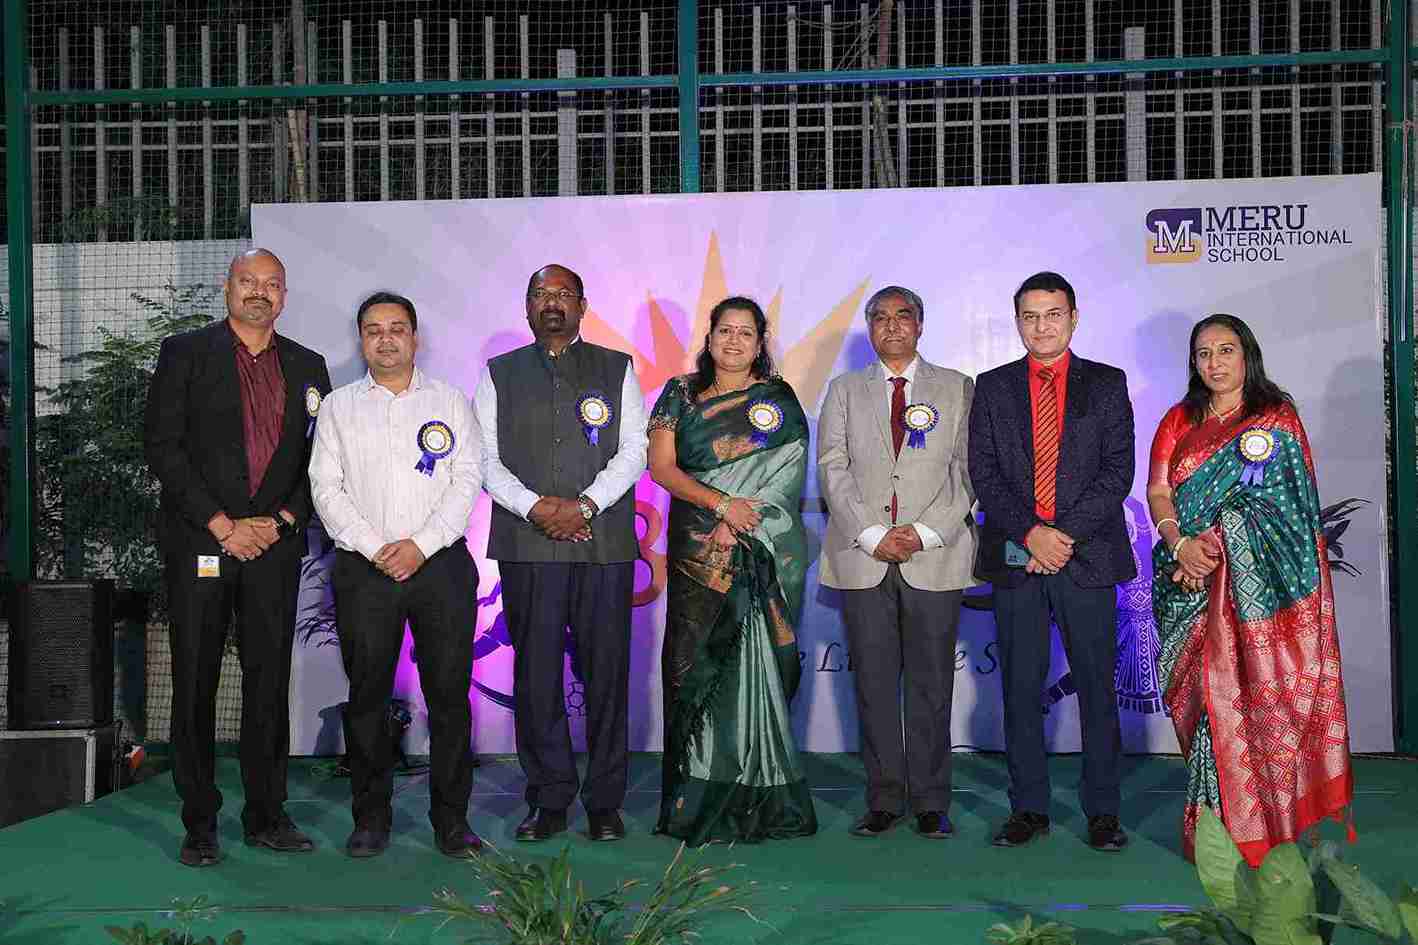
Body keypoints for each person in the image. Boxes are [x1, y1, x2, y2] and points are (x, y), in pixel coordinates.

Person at [144, 248, 331, 867]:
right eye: (248, 281)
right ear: (228, 289)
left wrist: (279, 522)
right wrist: (223, 525)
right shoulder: (185, 353)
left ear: (284, 295)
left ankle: (267, 815)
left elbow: (322, 461)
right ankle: (199, 822)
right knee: (195, 679)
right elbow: (163, 448)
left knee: (268, 681)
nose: (259, 292)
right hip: (203, 542)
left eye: (271, 284)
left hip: (274, 547)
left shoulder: (308, 365)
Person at [1146, 313, 1353, 866]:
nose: (1214, 363)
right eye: (1203, 353)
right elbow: (1159, 490)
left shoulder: (1276, 419)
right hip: (1182, 581)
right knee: (1202, 705)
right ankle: (1212, 827)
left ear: (1247, 355)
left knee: (1245, 698)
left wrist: (1215, 545)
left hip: (1250, 592)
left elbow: (1291, 513)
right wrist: (1179, 545)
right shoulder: (1179, 419)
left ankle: (1258, 827)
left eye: (1225, 350)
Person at [474, 264, 648, 842]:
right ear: (527, 306)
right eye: (541, 294)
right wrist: (535, 508)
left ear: (582, 306)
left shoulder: (617, 368)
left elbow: (635, 449)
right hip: (528, 544)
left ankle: (605, 803)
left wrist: (586, 506)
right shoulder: (498, 374)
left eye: (564, 294)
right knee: (536, 676)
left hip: (603, 544)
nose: (552, 302)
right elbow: (484, 457)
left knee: (607, 676)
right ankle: (548, 799)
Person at [309, 291, 484, 859]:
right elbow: (325, 488)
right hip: (365, 570)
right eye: (374, 330)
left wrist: (421, 546)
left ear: (415, 337)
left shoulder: (450, 401)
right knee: (367, 698)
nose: (386, 339)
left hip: (441, 568)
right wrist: (376, 548)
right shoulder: (337, 407)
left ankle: (452, 822)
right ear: (362, 340)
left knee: (449, 697)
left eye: (397, 328)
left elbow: (467, 479)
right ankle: (370, 818)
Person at [968, 271, 1135, 852]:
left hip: (1087, 555)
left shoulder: (1107, 383)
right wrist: (1032, 534)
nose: (1042, 326)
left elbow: (1118, 470)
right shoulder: (992, 387)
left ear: (1074, 317)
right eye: (1031, 316)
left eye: (1053, 314)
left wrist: (1060, 536)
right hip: (1017, 556)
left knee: (1097, 688)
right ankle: (1028, 809)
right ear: (1018, 322)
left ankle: (1103, 813)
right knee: (1019, 687)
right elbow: (984, 472)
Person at [647, 296, 817, 845]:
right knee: (693, 667)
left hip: (758, 548)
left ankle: (759, 796)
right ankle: (692, 800)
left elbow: (788, 473)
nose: (734, 341)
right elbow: (661, 467)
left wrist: (746, 520)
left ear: (760, 342)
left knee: (757, 667)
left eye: (746, 333)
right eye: (725, 330)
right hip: (698, 551)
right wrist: (722, 506)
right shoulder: (680, 393)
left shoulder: (778, 401)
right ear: (710, 337)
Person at [817, 286, 978, 840]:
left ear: (920, 324)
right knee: (875, 684)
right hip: (863, 557)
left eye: (902, 316)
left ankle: (931, 801)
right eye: (880, 317)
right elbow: (832, 466)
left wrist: (925, 533)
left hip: (935, 556)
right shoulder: (843, 390)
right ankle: (883, 798)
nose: (891, 326)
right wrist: (871, 534)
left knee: (932, 685)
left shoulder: (957, 387)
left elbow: (968, 471)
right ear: (869, 328)